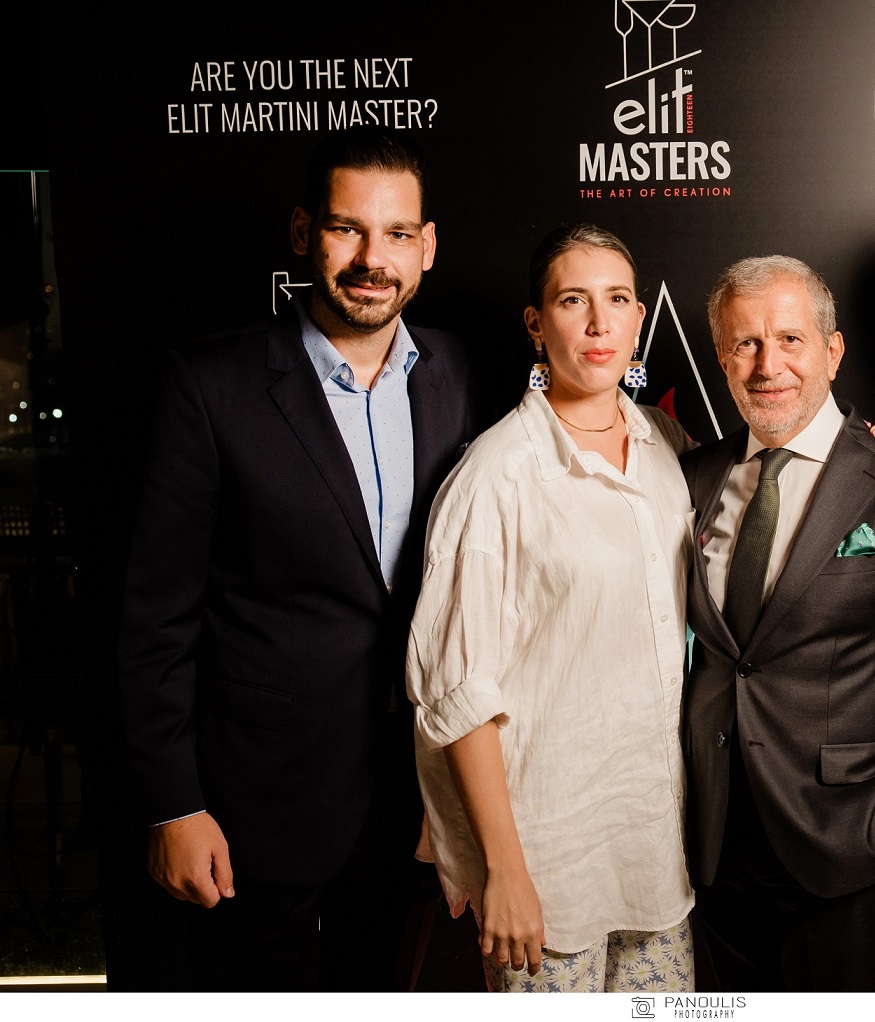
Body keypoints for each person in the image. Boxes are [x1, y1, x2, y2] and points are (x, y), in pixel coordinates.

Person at [118, 129, 480, 990]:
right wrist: (174, 804)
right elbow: (155, 618)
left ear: (427, 246)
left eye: (397, 234)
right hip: (255, 809)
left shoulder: (461, 372)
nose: (373, 259)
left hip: (418, 801)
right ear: (302, 232)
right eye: (347, 228)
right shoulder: (211, 386)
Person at [406, 224, 696, 993]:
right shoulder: (495, 475)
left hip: (656, 859)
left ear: (639, 318)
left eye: (617, 300)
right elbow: (457, 690)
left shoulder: (667, 447)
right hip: (546, 868)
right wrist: (504, 870)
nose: (599, 323)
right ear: (536, 323)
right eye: (574, 301)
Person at [681, 255, 875, 991]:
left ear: (833, 352)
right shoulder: (692, 478)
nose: (767, 365)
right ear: (722, 359)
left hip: (845, 840)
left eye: (790, 340)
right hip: (708, 842)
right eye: (745, 344)